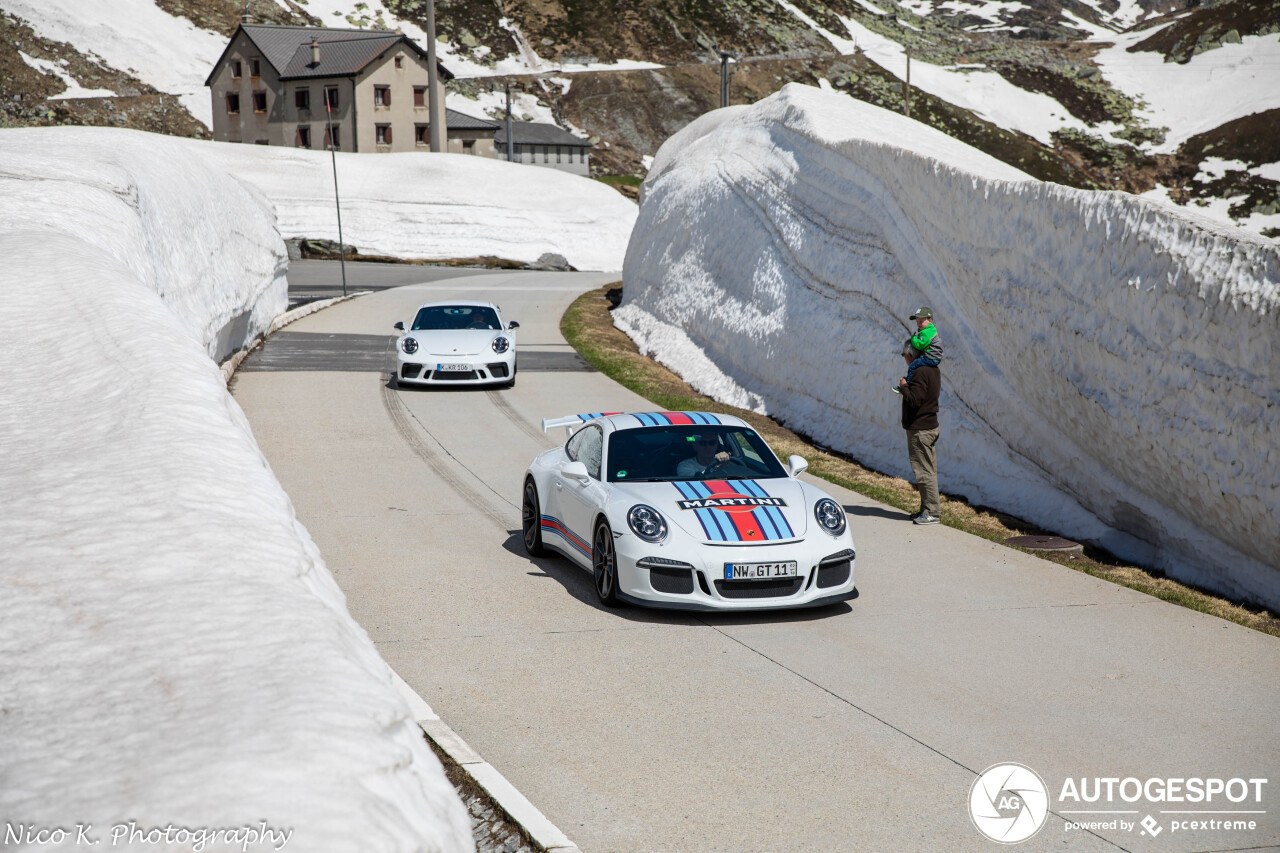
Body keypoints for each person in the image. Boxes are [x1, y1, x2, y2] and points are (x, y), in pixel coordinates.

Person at [899, 342, 941, 525]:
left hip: (920, 429)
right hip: (930, 425)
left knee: (924, 472)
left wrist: (904, 387)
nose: (904, 358)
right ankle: (926, 510)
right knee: (928, 470)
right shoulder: (933, 369)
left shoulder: (918, 372)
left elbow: (915, 400)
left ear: (910, 355)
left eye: (903, 354)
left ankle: (931, 512)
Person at [892, 306, 943, 393]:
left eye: (921, 321)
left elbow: (920, 345)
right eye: (917, 321)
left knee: (913, 366)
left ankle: (906, 385)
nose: (918, 323)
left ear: (930, 320)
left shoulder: (927, 332)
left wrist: (913, 338)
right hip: (933, 357)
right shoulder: (929, 330)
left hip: (931, 358)